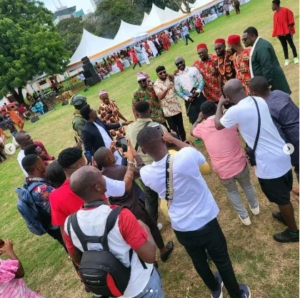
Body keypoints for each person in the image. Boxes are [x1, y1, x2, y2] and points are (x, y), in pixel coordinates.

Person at [138, 127, 251, 298]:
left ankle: (215, 289)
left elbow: (141, 167)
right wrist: (174, 139)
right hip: (206, 220)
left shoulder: (146, 174)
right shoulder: (187, 155)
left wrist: (134, 158)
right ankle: (237, 294)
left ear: (144, 150)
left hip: (182, 227)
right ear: (163, 139)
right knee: (222, 260)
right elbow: (199, 157)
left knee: (198, 260)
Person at [214, 79, 298, 243]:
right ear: (244, 89)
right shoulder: (258, 99)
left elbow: (217, 124)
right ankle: (285, 213)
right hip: (282, 153)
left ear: (228, 97)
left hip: (269, 163)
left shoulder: (234, 112)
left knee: (282, 198)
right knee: (284, 190)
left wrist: (219, 105)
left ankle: (294, 232)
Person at [64, 166, 165, 298]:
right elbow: (150, 256)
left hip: (108, 291)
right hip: (139, 287)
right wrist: (144, 227)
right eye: (101, 176)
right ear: (98, 187)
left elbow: (76, 258)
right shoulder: (121, 216)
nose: (103, 175)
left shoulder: (69, 224)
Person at [94, 144, 174, 262]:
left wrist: (109, 153)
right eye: (111, 155)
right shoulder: (121, 170)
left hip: (121, 212)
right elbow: (141, 169)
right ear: (110, 158)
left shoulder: (101, 177)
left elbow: (114, 169)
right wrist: (135, 156)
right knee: (151, 226)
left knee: (135, 237)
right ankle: (163, 250)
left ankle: (150, 262)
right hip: (135, 207)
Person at [192, 101, 259, 225]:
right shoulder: (229, 122)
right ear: (217, 109)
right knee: (247, 185)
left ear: (203, 114)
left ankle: (244, 217)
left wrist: (198, 118)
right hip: (240, 163)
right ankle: (255, 207)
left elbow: (192, 131)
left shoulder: (201, 128)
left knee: (232, 191)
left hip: (222, 170)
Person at [50, 147, 132, 236]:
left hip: (86, 242)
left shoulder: (54, 197)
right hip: (112, 231)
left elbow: (64, 230)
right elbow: (124, 187)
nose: (87, 164)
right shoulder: (95, 179)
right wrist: (131, 162)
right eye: (85, 163)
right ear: (79, 167)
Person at [249, 76, 299, 195]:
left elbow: (280, 135)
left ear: (255, 93)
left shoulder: (266, 108)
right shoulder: (279, 93)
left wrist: (287, 153)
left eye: (250, 91)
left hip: (295, 140)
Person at [127, 101, 167, 225]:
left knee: (150, 197)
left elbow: (129, 145)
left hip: (142, 167)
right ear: (149, 110)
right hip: (160, 164)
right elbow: (168, 140)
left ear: (136, 113)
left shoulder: (130, 128)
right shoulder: (157, 126)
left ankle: (152, 224)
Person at [21, 154, 66, 248]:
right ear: (38, 166)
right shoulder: (42, 189)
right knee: (72, 247)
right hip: (58, 226)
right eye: (42, 162)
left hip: (50, 226)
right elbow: (62, 201)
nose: (44, 164)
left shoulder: (28, 184)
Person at [242, 26, 291, 94]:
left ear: (253, 36)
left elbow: (266, 66)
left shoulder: (261, 47)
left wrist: (266, 85)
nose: (244, 42)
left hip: (274, 85)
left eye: (245, 39)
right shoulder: (258, 45)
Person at [153, 66, 186, 141]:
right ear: (157, 74)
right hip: (168, 111)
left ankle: (184, 141)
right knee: (173, 129)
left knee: (181, 126)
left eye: (164, 72)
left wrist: (171, 75)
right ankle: (177, 142)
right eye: (160, 73)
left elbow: (177, 78)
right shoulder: (156, 84)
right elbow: (160, 96)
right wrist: (167, 88)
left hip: (176, 108)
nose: (163, 74)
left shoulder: (170, 79)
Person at [174, 56, 206, 125]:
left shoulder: (193, 69)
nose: (180, 65)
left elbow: (201, 80)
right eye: (177, 64)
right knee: (194, 121)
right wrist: (187, 98)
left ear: (184, 61)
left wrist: (198, 91)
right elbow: (177, 91)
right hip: (189, 102)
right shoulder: (176, 77)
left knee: (208, 115)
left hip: (200, 97)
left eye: (181, 62)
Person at [271, 0, 298, 65]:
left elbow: (291, 19)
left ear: (276, 5)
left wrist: (289, 29)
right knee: (284, 46)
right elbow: (275, 25)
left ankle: (295, 57)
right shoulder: (275, 14)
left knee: (291, 45)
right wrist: (276, 33)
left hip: (287, 32)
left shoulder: (286, 10)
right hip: (280, 34)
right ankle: (286, 59)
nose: (271, 7)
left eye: (272, 5)